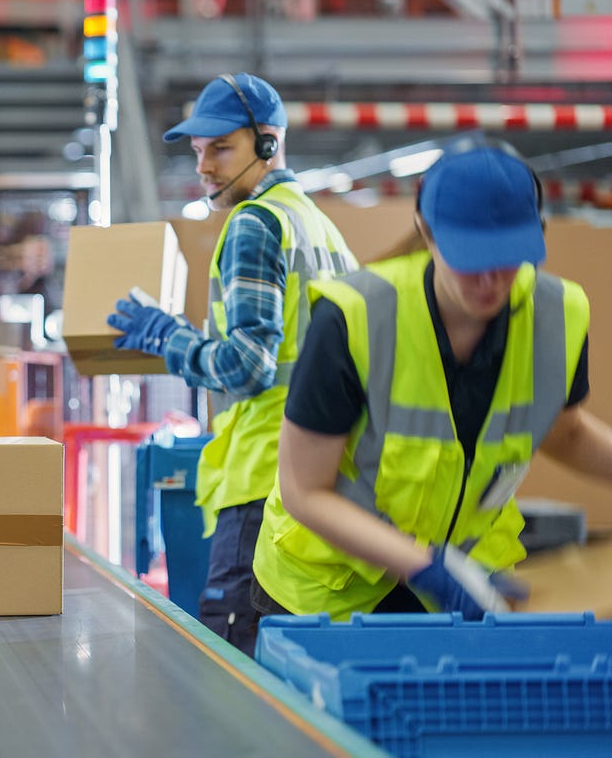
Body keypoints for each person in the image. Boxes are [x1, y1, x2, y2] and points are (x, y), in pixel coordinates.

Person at [252, 140, 612, 624]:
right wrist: (426, 567)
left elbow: (564, 432)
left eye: (507, 258)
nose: (490, 281)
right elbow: (304, 490)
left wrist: (445, 573)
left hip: (459, 585)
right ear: (425, 228)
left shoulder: (558, 316)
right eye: (470, 259)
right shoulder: (354, 319)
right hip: (328, 594)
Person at [106, 73, 357, 655]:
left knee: (233, 666)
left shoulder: (255, 223)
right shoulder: (320, 226)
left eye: (222, 148)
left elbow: (247, 366)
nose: (205, 168)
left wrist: (169, 339)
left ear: (268, 143)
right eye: (199, 152)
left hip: (261, 481)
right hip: (318, 477)